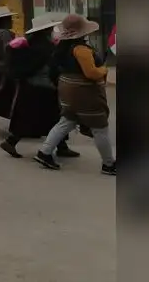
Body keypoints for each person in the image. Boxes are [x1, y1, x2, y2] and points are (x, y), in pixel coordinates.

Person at [34, 14, 116, 176]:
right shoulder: (81, 49)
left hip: (67, 89)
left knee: (66, 121)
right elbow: (91, 73)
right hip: (84, 92)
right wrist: (104, 70)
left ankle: (44, 152)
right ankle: (109, 164)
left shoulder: (62, 48)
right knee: (100, 127)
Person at [0, 13, 79, 159]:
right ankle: (11, 141)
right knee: (49, 117)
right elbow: (50, 66)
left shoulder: (33, 43)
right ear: (45, 30)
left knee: (44, 117)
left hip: (32, 85)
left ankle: (62, 146)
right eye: (49, 28)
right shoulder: (44, 46)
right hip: (42, 87)